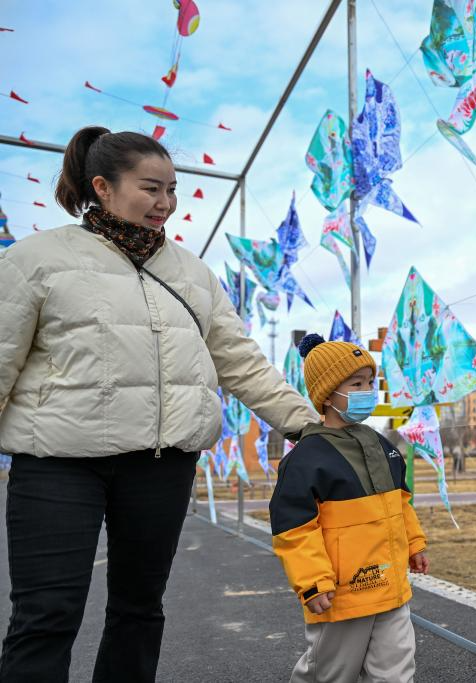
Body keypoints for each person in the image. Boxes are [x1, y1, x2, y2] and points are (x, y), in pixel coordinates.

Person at [0, 126, 318, 682]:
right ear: (102, 187)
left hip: (161, 466)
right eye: (150, 188)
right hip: (57, 465)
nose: (165, 203)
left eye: (172, 190)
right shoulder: (36, 259)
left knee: (139, 611)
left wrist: (311, 428)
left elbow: (241, 362)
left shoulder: (192, 273)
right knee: (46, 617)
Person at [270, 334, 428, 683]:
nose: (367, 390)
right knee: (329, 674)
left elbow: (401, 501)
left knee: (396, 672)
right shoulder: (306, 458)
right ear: (327, 395)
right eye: (356, 384)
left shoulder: (382, 445)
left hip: (392, 588)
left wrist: (414, 543)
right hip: (342, 596)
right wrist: (313, 581)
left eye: (370, 382)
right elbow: (294, 530)